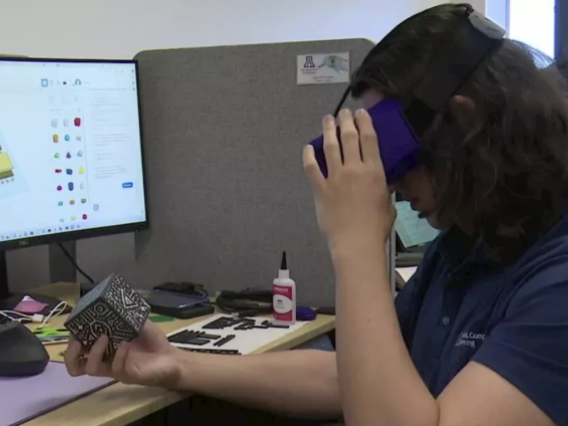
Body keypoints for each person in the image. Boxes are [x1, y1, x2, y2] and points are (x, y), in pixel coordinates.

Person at [65, 3, 568, 426]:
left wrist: (357, 246)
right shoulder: (468, 244)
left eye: (395, 156)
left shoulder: (556, 281)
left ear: (466, 122)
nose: (389, 185)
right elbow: (352, 379)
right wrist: (176, 364)